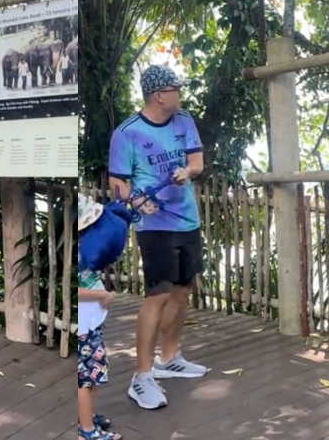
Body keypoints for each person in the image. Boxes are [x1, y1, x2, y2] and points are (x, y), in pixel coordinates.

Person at [108, 64, 207, 411]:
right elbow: (118, 185)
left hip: (186, 220)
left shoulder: (184, 122)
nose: (180, 94)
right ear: (159, 95)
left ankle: (169, 358)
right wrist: (137, 200)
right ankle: (142, 377)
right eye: (175, 89)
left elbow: (198, 162)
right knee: (158, 295)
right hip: (155, 226)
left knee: (182, 289)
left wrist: (187, 171)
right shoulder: (127, 133)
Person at [77, 194, 122, 440]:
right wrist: (99, 295)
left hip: (91, 325)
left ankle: (88, 416)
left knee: (92, 376)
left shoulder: (87, 249)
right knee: (85, 379)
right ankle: (86, 431)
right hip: (84, 327)